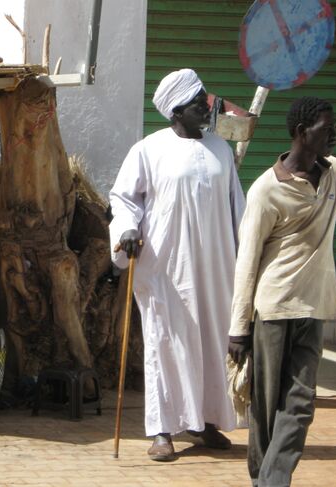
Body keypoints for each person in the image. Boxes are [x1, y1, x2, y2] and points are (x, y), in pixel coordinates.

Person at [228, 96, 336, 486]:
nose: (335, 134)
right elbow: (247, 262)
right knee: (266, 409)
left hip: (314, 308)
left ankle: (272, 481)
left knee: (300, 404)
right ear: (302, 133)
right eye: (326, 128)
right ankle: (263, 478)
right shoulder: (266, 191)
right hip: (273, 310)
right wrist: (239, 328)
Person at [109, 68, 245, 462]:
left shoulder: (221, 149)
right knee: (166, 341)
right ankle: (162, 430)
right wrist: (128, 229)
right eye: (198, 102)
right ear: (176, 112)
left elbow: (238, 207)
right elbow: (123, 199)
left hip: (217, 266)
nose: (208, 106)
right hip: (167, 266)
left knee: (212, 342)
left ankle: (204, 424)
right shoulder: (148, 150)